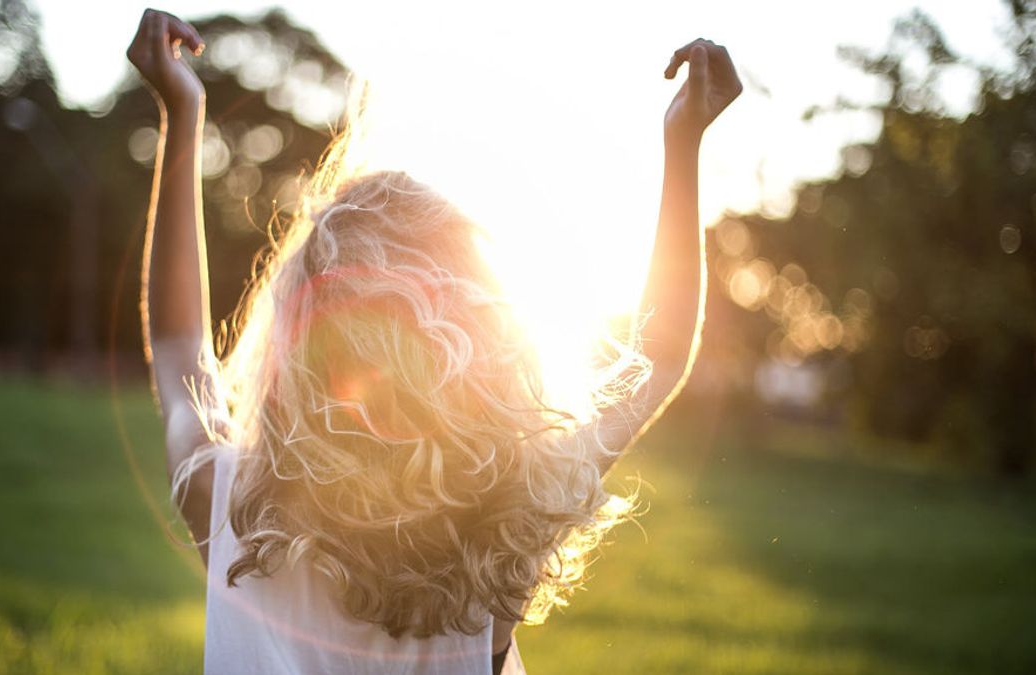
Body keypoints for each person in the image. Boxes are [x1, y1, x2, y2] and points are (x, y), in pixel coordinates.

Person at [127, 8, 741, 674]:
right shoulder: (507, 527)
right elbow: (659, 354)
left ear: (297, 356)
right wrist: (684, 143)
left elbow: (180, 341)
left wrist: (182, 115)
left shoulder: (227, 507)